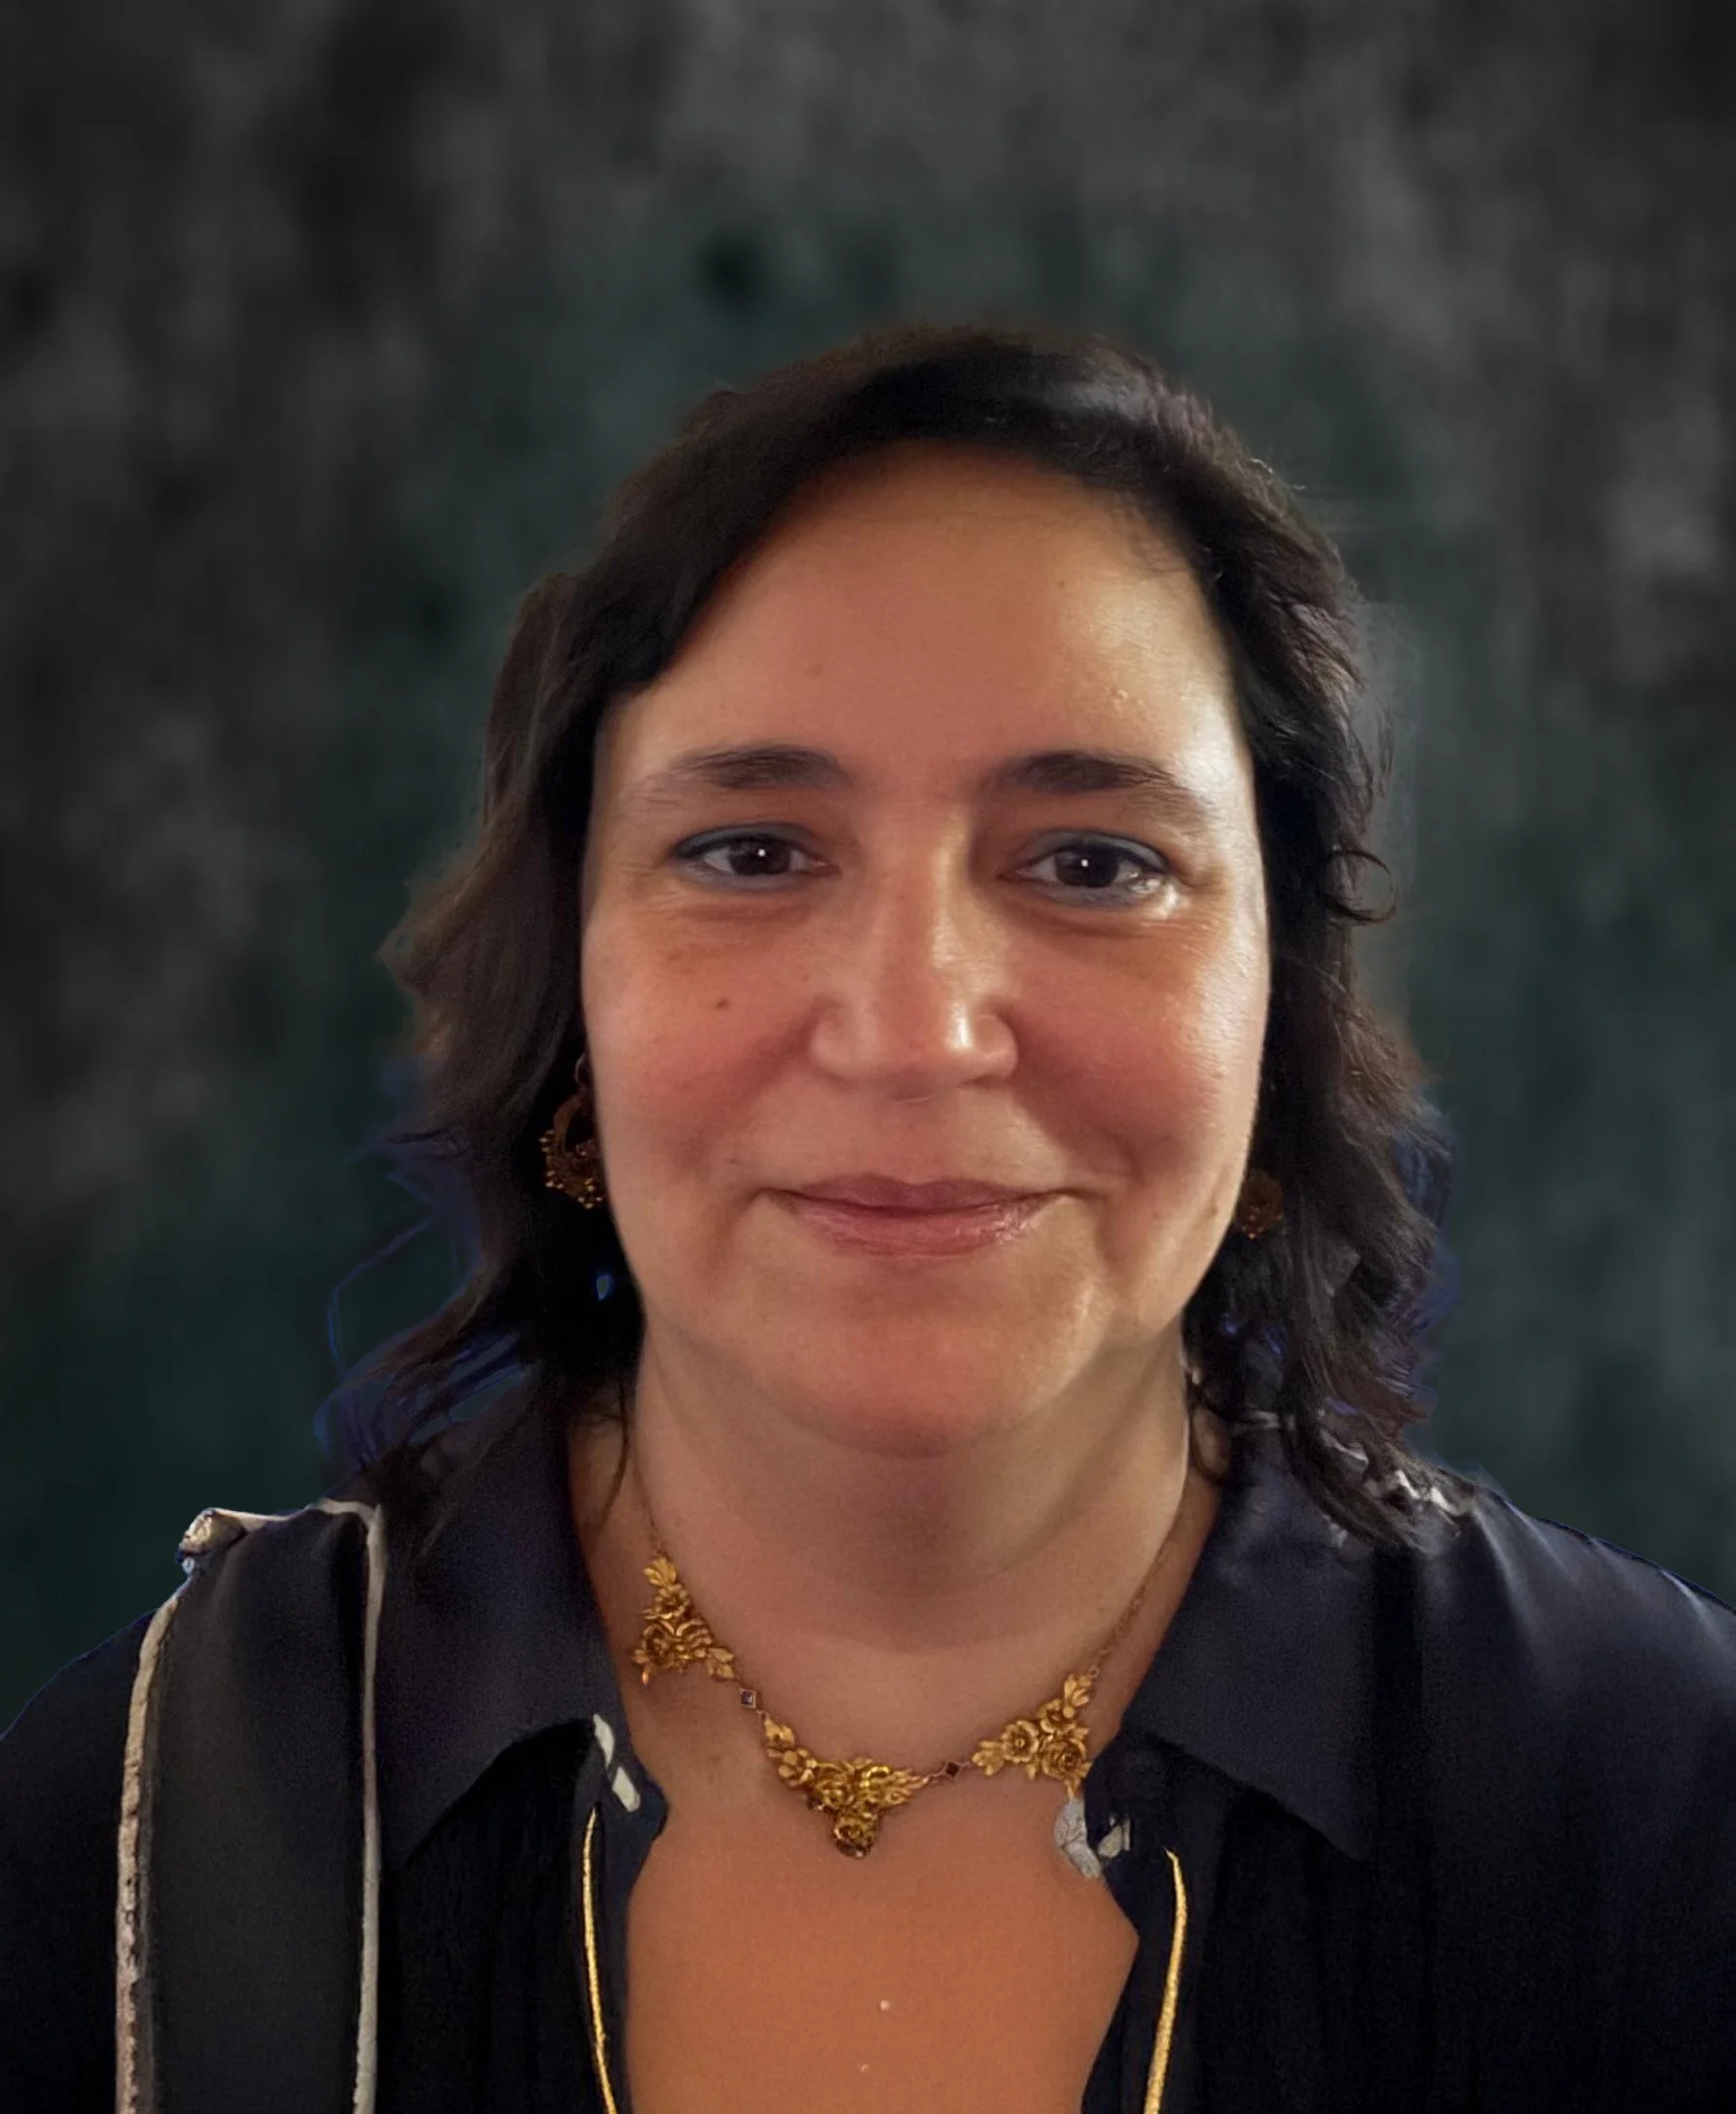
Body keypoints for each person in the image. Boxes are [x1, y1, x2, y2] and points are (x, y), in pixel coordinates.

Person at [3, 321, 1733, 2114]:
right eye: (752, 851)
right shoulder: (135, 1837)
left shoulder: (1655, 1799)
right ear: (570, 989)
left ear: (1278, 1005)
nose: (915, 1031)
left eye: (1095, 863)